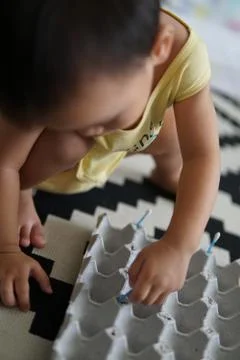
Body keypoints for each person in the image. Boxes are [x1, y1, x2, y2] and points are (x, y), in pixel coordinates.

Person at [0, 0, 220, 312]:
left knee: (175, 129)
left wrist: (178, 246)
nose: (96, 131)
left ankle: (168, 172)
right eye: (78, 122)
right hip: (56, 157)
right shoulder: (45, 66)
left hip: (136, 137)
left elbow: (203, 155)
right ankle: (25, 190)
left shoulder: (184, 56)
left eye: (105, 118)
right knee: (67, 143)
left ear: (160, 46)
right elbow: (4, 162)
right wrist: (6, 249)